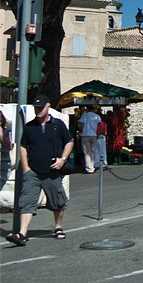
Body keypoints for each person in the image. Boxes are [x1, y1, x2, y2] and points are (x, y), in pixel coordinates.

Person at [5, 94, 74, 246]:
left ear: (48, 107)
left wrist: (63, 159)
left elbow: (69, 142)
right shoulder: (30, 126)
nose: (38, 110)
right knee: (27, 201)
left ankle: (58, 227)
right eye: (36, 108)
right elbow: (23, 146)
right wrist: (25, 168)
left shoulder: (58, 125)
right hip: (33, 172)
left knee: (58, 201)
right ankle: (22, 233)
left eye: (41, 108)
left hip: (52, 171)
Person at [77, 105, 101, 174]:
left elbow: (81, 124)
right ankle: (92, 166)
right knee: (92, 152)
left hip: (85, 135)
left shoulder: (84, 115)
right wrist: (97, 134)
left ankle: (89, 168)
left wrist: (83, 130)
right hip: (93, 135)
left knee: (87, 153)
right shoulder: (97, 116)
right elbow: (99, 126)